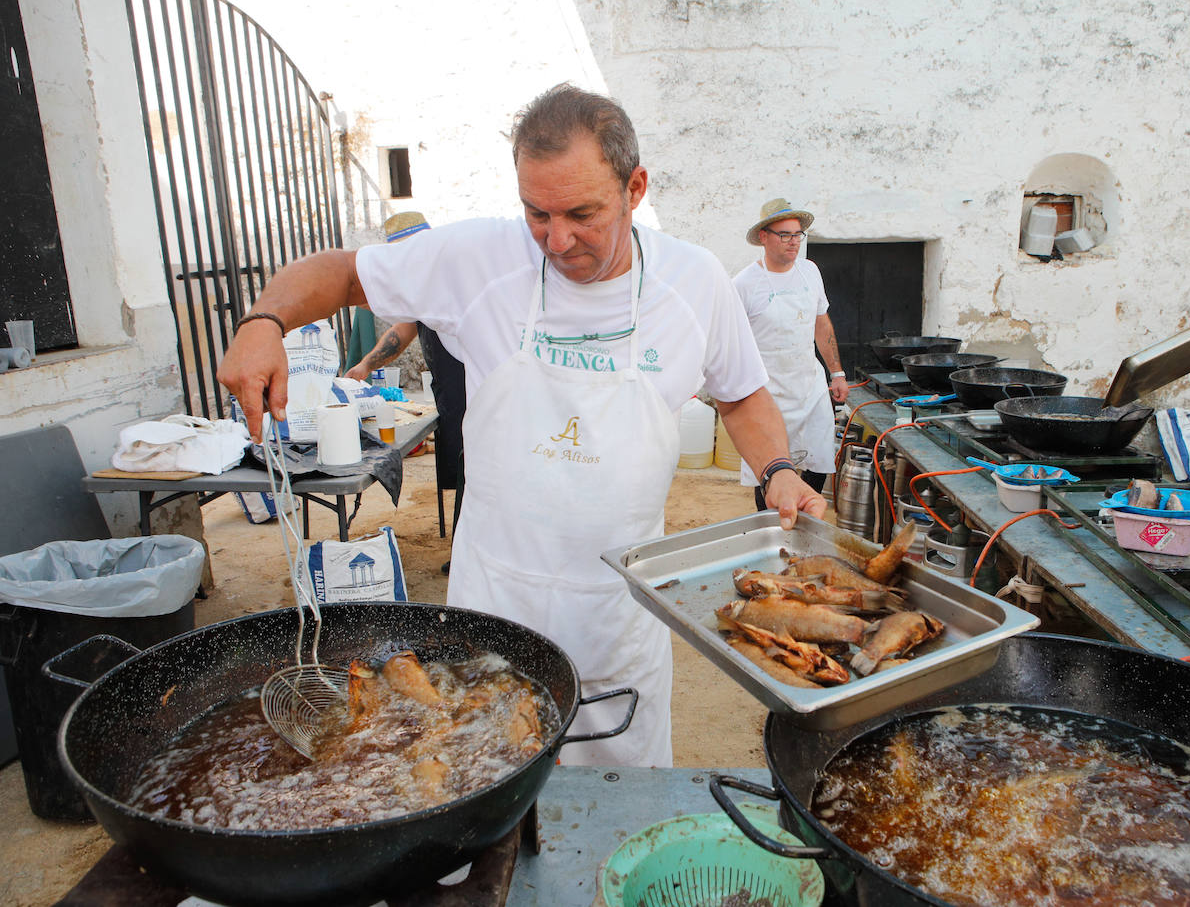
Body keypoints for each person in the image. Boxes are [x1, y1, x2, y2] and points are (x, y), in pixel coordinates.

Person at [217, 83, 825, 768]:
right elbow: (338, 273)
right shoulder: (479, 258)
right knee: (487, 806)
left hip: (616, 617)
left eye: (582, 213)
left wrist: (776, 471)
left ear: (636, 188)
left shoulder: (695, 281)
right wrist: (263, 323)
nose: (557, 239)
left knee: (611, 820)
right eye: (537, 212)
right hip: (495, 607)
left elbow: (743, 397)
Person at [345, 213, 468, 542]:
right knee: (463, 474)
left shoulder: (455, 274)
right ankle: (462, 545)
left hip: (476, 391)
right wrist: (366, 366)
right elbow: (404, 328)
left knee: (479, 475)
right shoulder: (421, 280)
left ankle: (469, 550)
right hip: (451, 393)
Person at [734, 198, 848, 510]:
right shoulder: (744, 284)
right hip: (769, 393)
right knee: (769, 469)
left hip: (809, 387)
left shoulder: (810, 272)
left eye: (798, 235)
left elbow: (821, 324)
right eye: (785, 235)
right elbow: (734, 343)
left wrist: (836, 373)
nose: (793, 242)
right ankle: (772, 531)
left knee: (819, 460)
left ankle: (805, 526)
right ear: (763, 237)